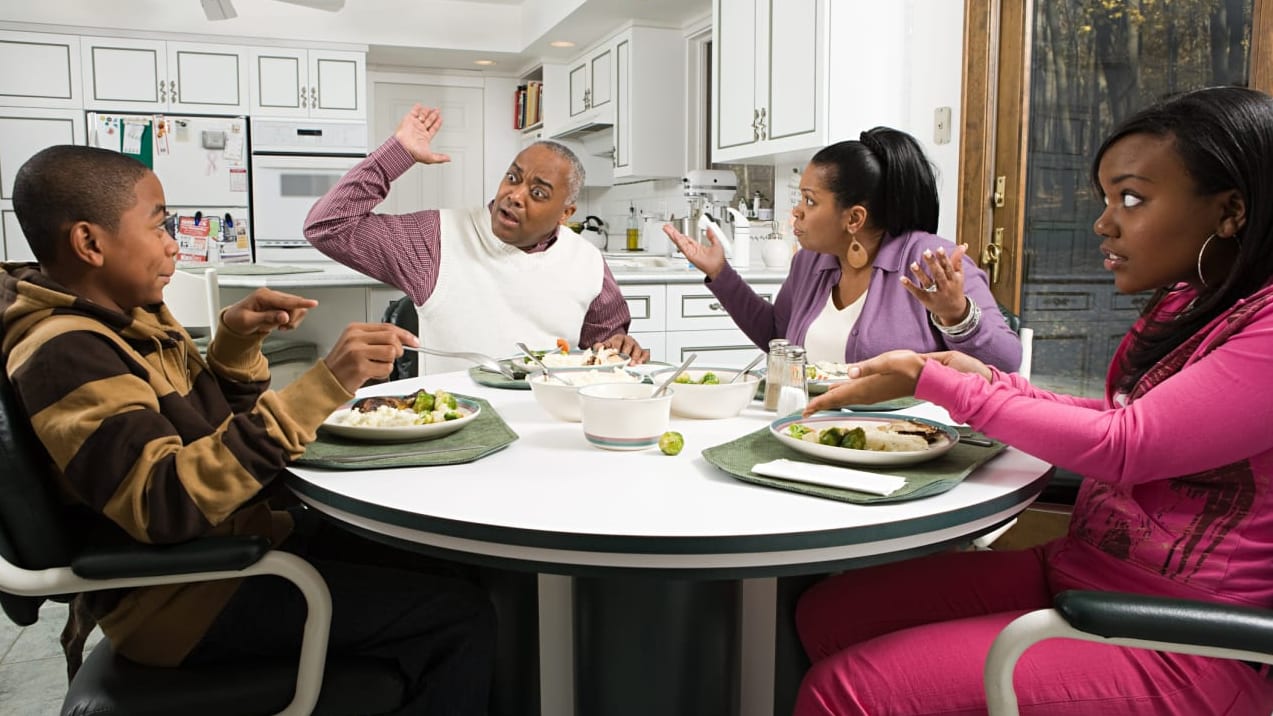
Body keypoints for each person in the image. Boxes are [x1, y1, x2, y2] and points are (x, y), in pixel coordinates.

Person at [790, 86, 1273, 715]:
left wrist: (940, 381)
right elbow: (1124, 420)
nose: (1104, 222)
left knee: (843, 692)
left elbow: (1125, 445)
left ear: (1231, 210)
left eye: (1132, 198)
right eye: (1106, 199)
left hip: (1182, 635)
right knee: (828, 611)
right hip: (1087, 574)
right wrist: (985, 380)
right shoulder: (1193, 306)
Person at [2, 145, 495, 714]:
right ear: (90, 243)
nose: (173, 243)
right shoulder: (68, 352)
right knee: (460, 616)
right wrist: (324, 384)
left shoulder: (124, 316)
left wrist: (234, 342)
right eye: (159, 225)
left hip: (228, 551)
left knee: (449, 561)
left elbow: (204, 431)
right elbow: (165, 500)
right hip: (185, 597)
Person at [304, 104, 649, 372]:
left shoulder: (586, 259)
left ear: (565, 214)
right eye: (513, 177)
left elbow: (604, 343)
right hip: (456, 424)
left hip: (548, 425)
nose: (515, 194)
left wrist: (618, 346)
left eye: (538, 193)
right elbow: (327, 226)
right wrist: (397, 155)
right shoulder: (436, 239)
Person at [664, 128, 1021, 371]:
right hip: (816, 431)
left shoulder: (930, 261)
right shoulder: (810, 262)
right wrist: (721, 274)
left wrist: (957, 314)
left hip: (911, 442)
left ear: (854, 218)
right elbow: (777, 336)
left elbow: (1007, 362)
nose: (797, 211)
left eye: (809, 200)